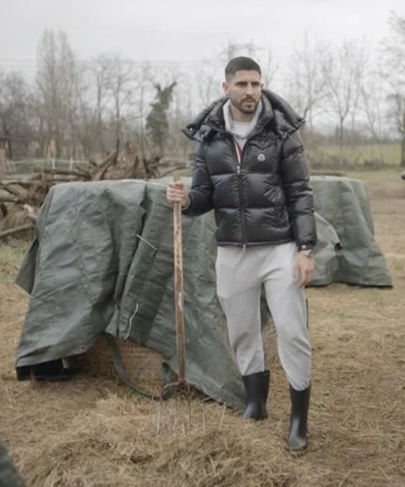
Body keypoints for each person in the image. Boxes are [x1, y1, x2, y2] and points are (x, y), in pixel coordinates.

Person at [167, 56, 316, 452]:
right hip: (232, 250)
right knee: (243, 330)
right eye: (242, 85)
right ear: (226, 88)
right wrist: (184, 200)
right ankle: (256, 402)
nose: (250, 92)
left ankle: (299, 420)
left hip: (279, 248)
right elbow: (203, 196)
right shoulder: (210, 138)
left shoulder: (282, 132)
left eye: (256, 84)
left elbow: (301, 193)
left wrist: (304, 249)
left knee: (291, 330)